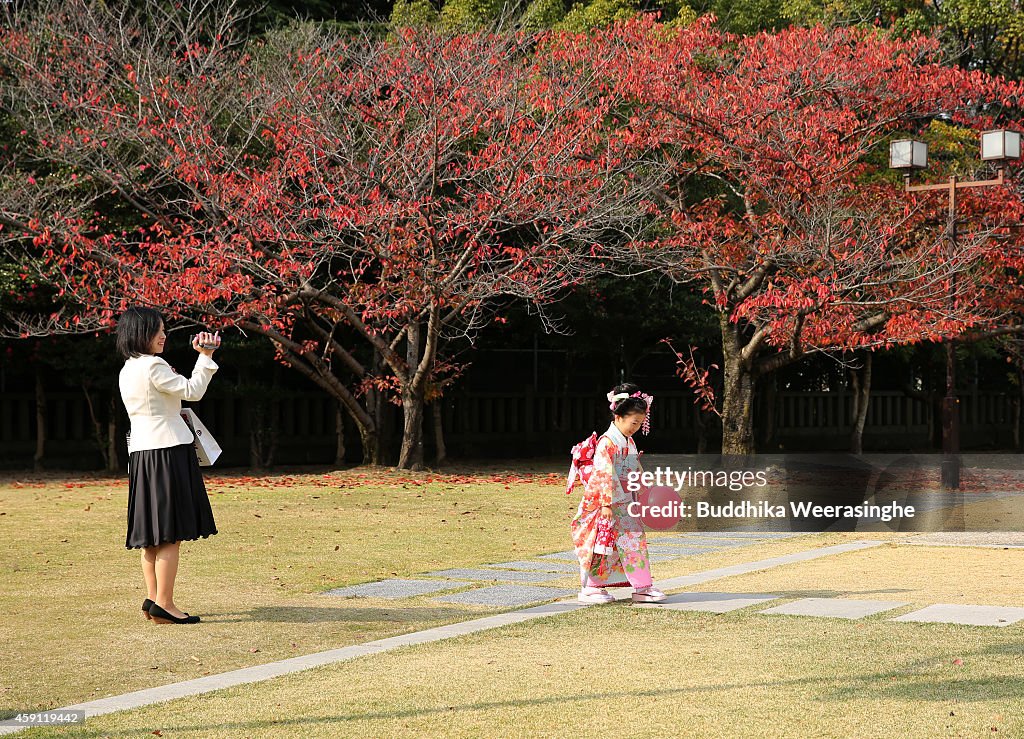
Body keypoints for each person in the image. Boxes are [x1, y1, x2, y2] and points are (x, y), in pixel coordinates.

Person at [116, 307, 221, 625]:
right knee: (169, 534)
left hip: (143, 454)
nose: (163, 335)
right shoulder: (153, 365)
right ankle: (165, 603)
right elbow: (193, 391)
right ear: (140, 333)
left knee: (150, 535)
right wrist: (206, 356)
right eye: (157, 330)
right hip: (168, 452)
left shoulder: (128, 368)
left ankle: (153, 599)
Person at [571, 382, 667, 604]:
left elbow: (635, 468)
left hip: (625, 501)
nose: (636, 427)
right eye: (634, 422)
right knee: (601, 543)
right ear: (618, 417)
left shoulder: (628, 441)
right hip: (606, 502)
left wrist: (645, 490)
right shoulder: (607, 442)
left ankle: (642, 586)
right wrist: (605, 504)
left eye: (640, 423)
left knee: (633, 541)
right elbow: (603, 473)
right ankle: (591, 587)